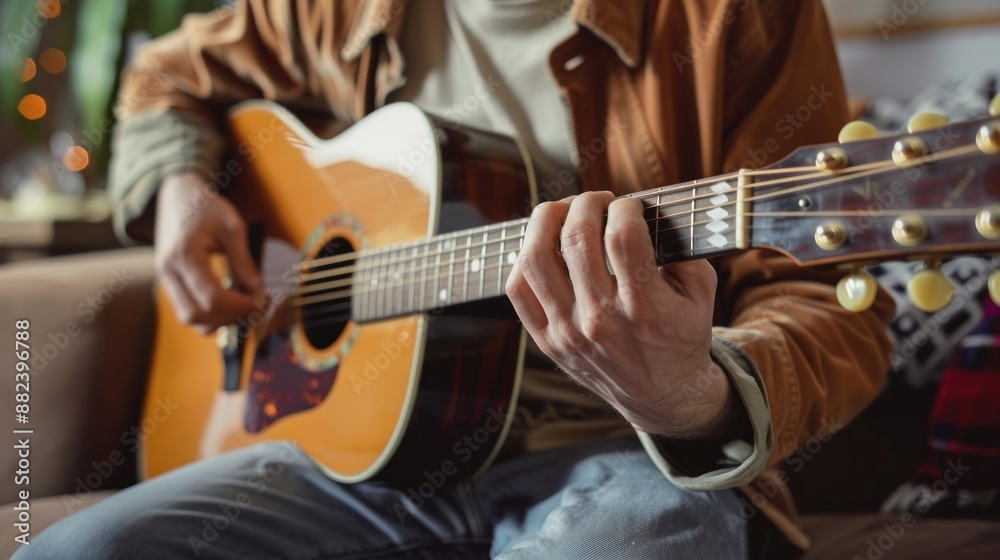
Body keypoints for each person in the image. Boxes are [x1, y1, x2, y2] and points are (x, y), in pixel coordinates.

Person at [16, 0, 895, 558]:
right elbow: (164, 76)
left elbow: (829, 307)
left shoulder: (733, 17)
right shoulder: (336, 10)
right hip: (351, 452)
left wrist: (692, 398)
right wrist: (178, 189)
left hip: (629, 453)